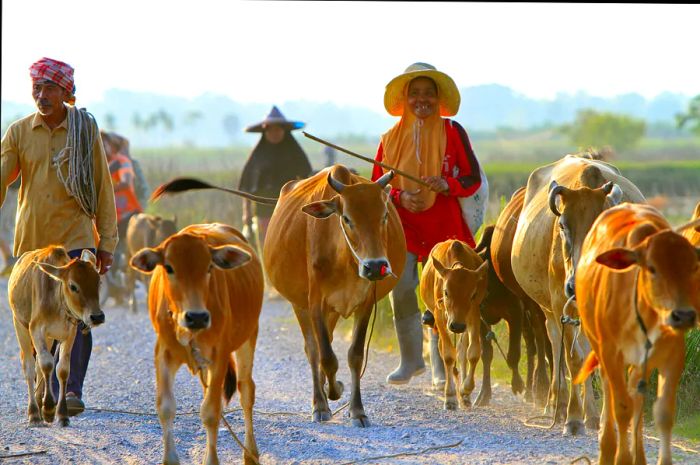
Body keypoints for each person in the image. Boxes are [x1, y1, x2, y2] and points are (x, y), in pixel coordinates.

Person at [1, 57, 118, 415]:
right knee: (38, 315)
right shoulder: (19, 132)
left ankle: (71, 390)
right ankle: (46, 386)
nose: (41, 95)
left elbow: (101, 186)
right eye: (36, 88)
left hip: (76, 238)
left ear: (66, 92)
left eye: (49, 88)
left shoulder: (84, 130)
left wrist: (107, 242)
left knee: (80, 312)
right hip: (33, 242)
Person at [371, 63, 486, 386]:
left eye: (428, 94)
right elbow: (376, 184)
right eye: (415, 94)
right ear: (405, 99)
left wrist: (448, 184)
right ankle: (410, 360)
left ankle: (441, 365)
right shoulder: (389, 138)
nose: (422, 100)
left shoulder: (453, 132)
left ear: (439, 98)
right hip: (404, 225)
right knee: (403, 286)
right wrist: (398, 196)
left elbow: (472, 177)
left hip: (445, 226)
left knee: (443, 291)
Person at [238, 105, 312, 250]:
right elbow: (246, 185)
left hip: (291, 208)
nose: (274, 133)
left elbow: (307, 180)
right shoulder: (257, 155)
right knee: (268, 247)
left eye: (278, 129)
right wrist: (246, 213)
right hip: (263, 211)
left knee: (290, 247)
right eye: (270, 130)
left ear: (284, 130)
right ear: (265, 132)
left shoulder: (295, 152)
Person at [102, 130, 143, 294]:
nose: (102, 147)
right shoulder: (100, 164)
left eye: (104, 144)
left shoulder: (122, 162)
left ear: (112, 146)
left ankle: (128, 282)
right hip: (110, 215)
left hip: (127, 213)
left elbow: (126, 183)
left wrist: (104, 189)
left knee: (126, 250)